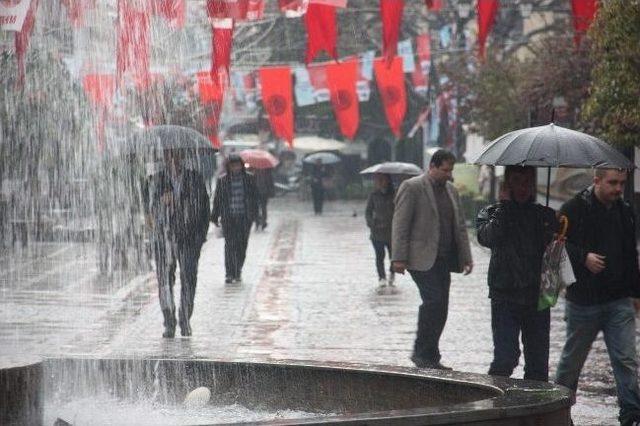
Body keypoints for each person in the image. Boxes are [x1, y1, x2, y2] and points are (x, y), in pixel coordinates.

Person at [555, 168, 640, 425]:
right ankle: (558, 411)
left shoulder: (625, 211)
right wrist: (584, 258)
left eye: (622, 184)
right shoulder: (574, 208)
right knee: (572, 363)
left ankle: (631, 414)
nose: (617, 189)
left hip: (618, 300)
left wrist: (636, 293)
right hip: (583, 301)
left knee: (626, 359)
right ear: (597, 181)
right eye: (612, 183)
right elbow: (556, 245)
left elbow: (630, 254)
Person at [391, 149, 473, 370]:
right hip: (421, 258)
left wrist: (466, 256)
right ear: (433, 167)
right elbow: (400, 223)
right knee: (434, 301)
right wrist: (398, 258)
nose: (448, 175)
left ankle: (431, 354)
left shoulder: (451, 191)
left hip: (444, 258)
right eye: (445, 170)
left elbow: (461, 226)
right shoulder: (413, 187)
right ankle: (421, 352)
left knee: (442, 306)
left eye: (451, 170)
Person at [476, 166, 559, 382]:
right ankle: (494, 403)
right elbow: (486, 238)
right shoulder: (492, 213)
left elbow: (556, 252)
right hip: (505, 295)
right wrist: (504, 207)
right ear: (508, 184)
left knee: (538, 364)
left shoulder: (545, 216)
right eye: (517, 181)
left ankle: (537, 412)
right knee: (505, 358)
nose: (523, 187)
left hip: (537, 296)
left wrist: (552, 232)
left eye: (527, 182)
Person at [146, 150, 210, 338]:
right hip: (163, 237)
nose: (173, 160)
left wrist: (200, 235)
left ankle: (185, 319)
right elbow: (146, 209)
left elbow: (204, 207)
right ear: (164, 158)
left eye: (177, 156)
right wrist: (160, 202)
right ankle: (169, 321)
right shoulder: (155, 180)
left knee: (189, 278)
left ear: (183, 157)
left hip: (189, 238)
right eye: (169, 156)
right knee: (165, 281)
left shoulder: (194, 178)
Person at [211, 154, 258, 284]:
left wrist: (254, 216)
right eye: (232, 165)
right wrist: (215, 215)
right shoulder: (223, 181)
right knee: (230, 246)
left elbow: (255, 198)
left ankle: (238, 271)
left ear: (241, 165)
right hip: (229, 218)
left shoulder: (249, 179)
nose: (235, 167)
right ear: (229, 167)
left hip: (244, 218)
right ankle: (229, 273)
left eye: (237, 165)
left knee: (242, 245)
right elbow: (218, 199)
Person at [365, 173, 395, 290]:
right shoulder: (373, 195)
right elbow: (368, 212)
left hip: (392, 231)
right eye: (378, 180)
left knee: (393, 256)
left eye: (382, 179)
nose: (379, 182)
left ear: (388, 180)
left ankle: (392, 273)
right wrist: (371, 223)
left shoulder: (395, 194)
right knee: (379, 256)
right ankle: (381, 277)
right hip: (377, 232)